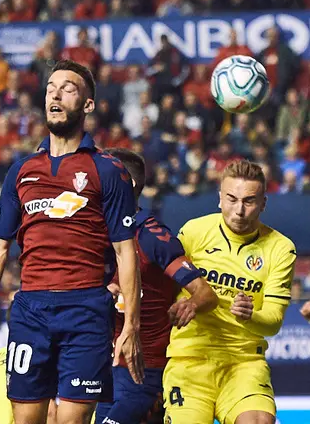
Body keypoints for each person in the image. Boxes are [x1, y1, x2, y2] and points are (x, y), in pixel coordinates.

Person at [0, 60, 143, 424]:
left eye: (68, 88)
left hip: (87, 312)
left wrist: (131, 325)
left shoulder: (108, 170)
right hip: (31, 309)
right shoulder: (21, 170)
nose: (56, 94)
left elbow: (125, 251)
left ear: (88, 105)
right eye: (50, 87)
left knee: (72, 421)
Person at [163, 160, 297, 424]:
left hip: (244, 363)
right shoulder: (193, 232)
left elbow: (273, 322)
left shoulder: (281, 248)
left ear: (263, 204)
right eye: (232, 199)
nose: (239, 211)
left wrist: (251, 316)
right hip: (189, 359)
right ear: (220, 200)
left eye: (249, 201)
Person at [93, 148, 219, 424]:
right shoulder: (94, 232)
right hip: (105, 367)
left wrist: (191, 304)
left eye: (100, 178)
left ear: (126, 184)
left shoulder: (153, 237)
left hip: (144, 371)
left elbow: (205, 293)